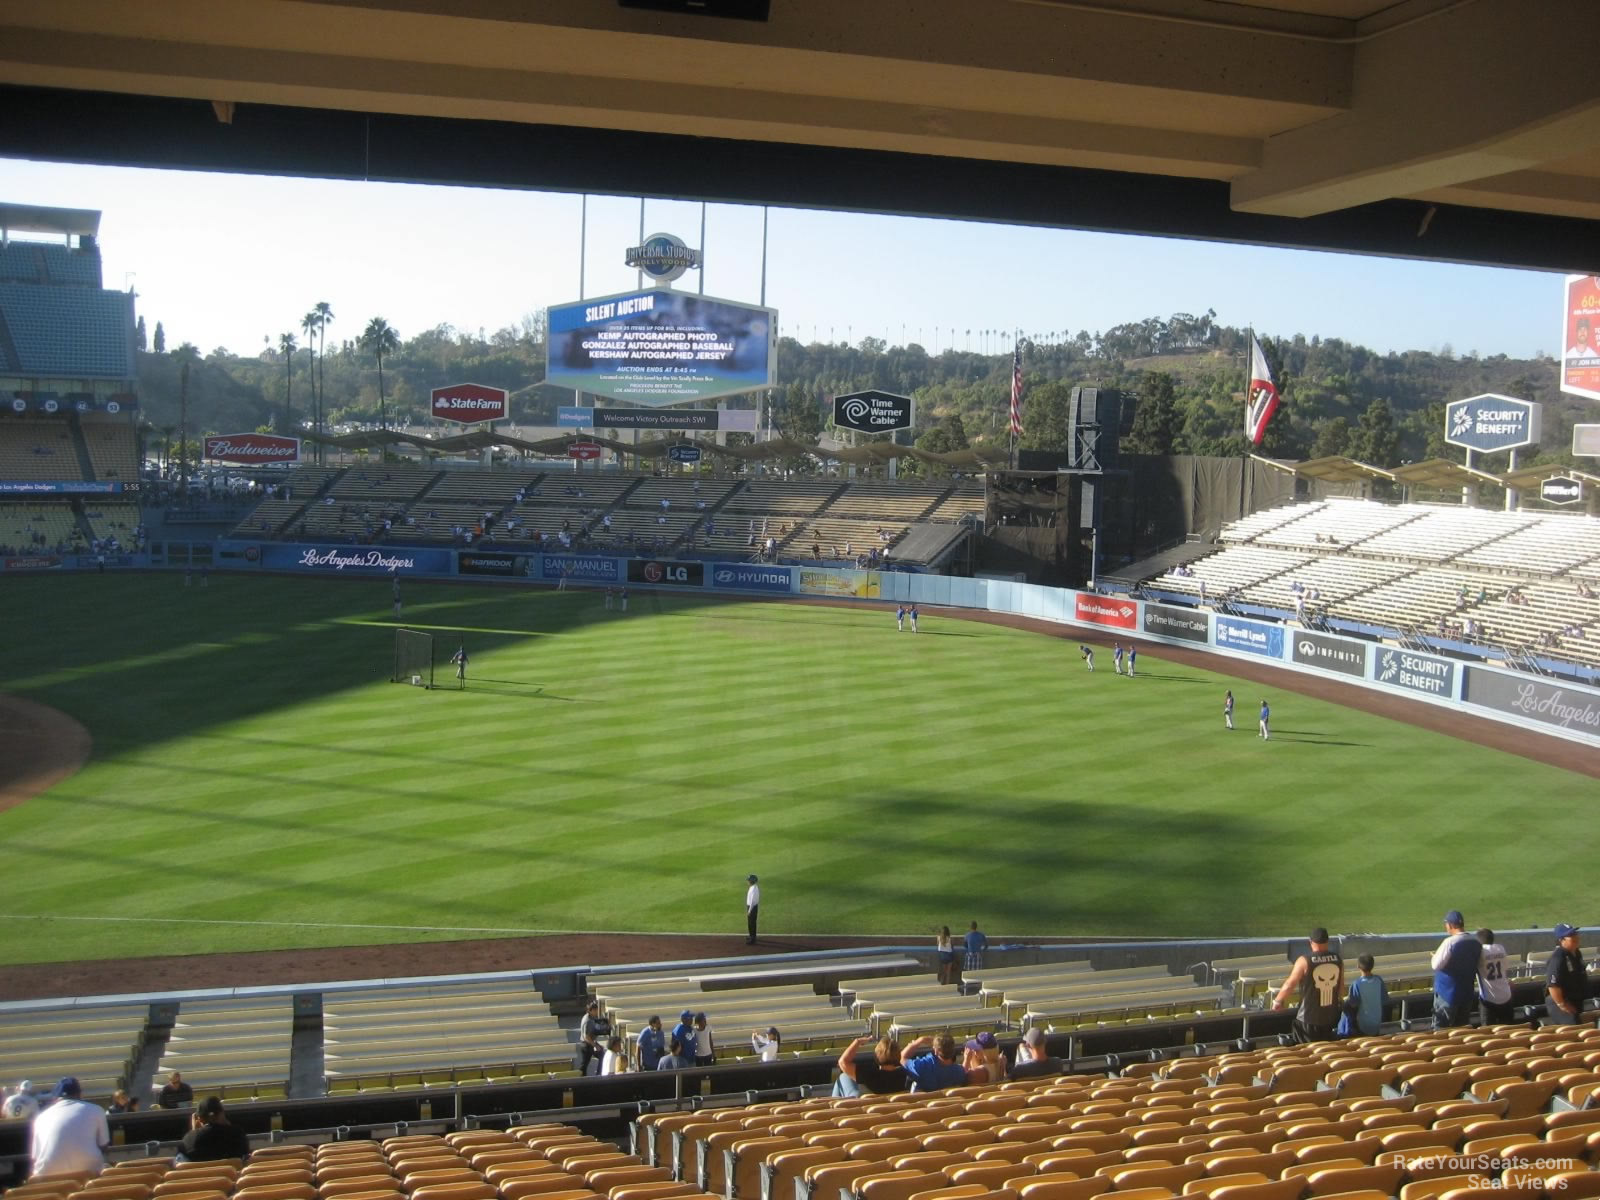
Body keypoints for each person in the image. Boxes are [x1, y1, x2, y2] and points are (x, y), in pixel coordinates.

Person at [1271, 926, 1344, 1042]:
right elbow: (1340, 987)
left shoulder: (1304, 961)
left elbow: (1290, 984)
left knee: (1306, 1052)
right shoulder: (1338, 959)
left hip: (1308, 1018)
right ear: (1327, 941)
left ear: (1311, 942)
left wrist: (1278, 1001)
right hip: (1330, 1017)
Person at [30, 1077, 109, 1179]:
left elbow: (35, 1157)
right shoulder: (96, 1110)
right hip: (88, 1174)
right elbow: (104, 1145)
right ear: (80, 1094)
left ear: (55, 1098)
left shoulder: (40, 1118)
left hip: (46, 1178)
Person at [1430, 909, 1482, 1029]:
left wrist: (1434, 957)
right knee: (1461, 1030)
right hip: (1466, 994)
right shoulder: (1475, 942)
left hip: (1447, 994)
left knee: (1440, 1030)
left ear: (1451, 925)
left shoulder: (1449, 942)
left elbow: (1436, 965)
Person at [177, 1095, 250, 1164]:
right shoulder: (238, 1133)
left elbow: (181, 1164)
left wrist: (194, 1133)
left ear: (200, 1119)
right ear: (221, 1113)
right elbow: (245, 1157)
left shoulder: (189, 1139)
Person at [832, 1035, 906, 1097]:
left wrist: (857, 1042)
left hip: (869, 1107)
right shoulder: (904, 1074)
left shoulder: (869, 1075)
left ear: (876, 1056)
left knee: (843, 1077)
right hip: (891, 1107)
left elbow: (842, 1062)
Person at [1544, 923, 1588, 1025]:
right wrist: (1561, 1004)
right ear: (1561, 940)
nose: (1575, 937)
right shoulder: (1558, 957)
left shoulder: (1577, 953)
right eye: (1571, 935)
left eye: (1575, 933)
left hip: (1574, 999)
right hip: (1561, 1001)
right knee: (1573, 1029)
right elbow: (1553, 985)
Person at [899, 1033, 967, 1092]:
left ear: (936, 1051)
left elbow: (902, 1058)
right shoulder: (960, 1072)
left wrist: (919, 1041)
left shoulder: (923, 1067)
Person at [1341, 954, 1389, 1037]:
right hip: (1377, 1022)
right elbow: (1385, 999)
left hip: (1362, 1025)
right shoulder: (1379, 980)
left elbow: (1353, 1003)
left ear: (1358, 966)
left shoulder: (1356, 984)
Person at [1475, 928, 1514, 1025]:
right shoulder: (1500, 948)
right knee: (1507, 1030)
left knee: (1488, 1033)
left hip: (1489, 999)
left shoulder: (1480, 952)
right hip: (1506, 995)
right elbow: (1505, 968)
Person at [745, 873, 761, 944]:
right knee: (750, 922)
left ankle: (753, 939)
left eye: (749, 880)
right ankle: (751, 935)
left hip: (752, 907)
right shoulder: (753, 887)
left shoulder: (754, 889)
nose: (748, 881)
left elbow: (753, 901)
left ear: (752, 881)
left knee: (752, 922)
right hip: (751, 907)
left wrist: (749, 910)